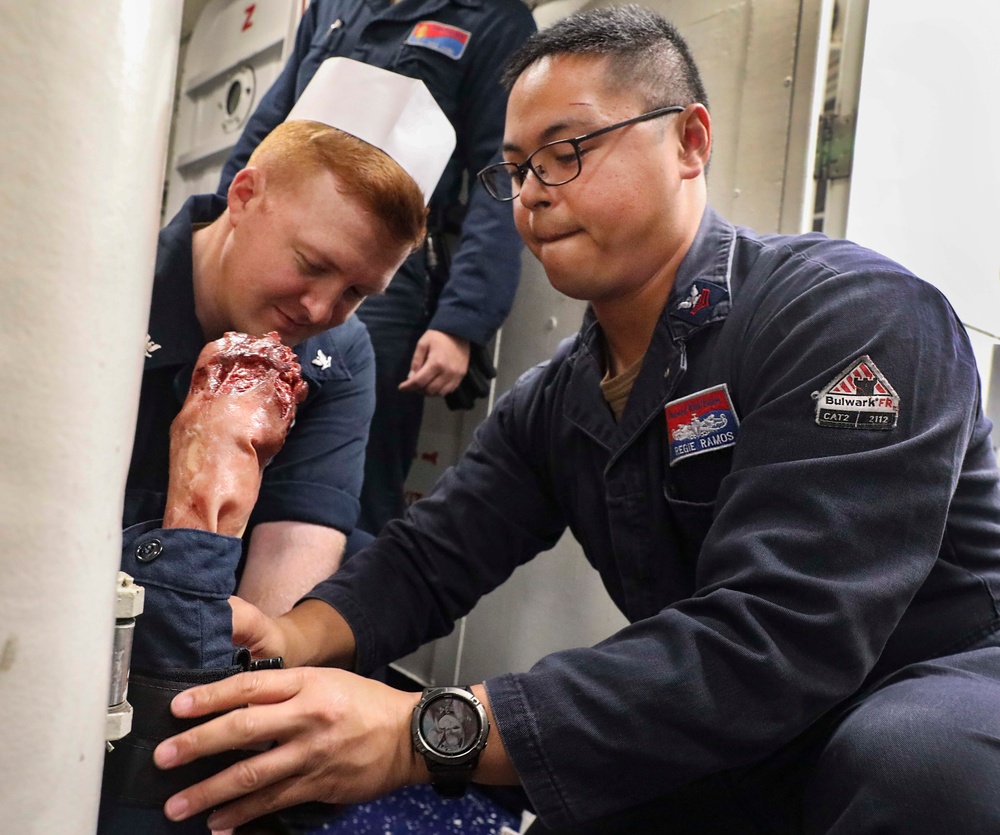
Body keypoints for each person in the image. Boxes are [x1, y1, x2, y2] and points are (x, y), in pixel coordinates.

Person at [152, 7, 1000, 834]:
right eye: (515, 169)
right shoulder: (561, 399)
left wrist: (421, 732)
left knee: (915, 765)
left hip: (935, 686)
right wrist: (290, 635)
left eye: (565, 153)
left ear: (690, 142)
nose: (532, 196)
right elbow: (430, 555)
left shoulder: (851, 316)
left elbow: (781, 634)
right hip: (753, 723)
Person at [100, 59, 454, 834]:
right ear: (245, 194)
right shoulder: (102, 277)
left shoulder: (344, 355)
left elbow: (267, 622)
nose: (321, 309)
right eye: (311, 264)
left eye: (358, 291)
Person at [218, 0, 536, 535]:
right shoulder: (336, 7)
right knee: (233, 438)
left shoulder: (493, 21)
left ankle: (327, 613)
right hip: (286, 249)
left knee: (355, 485)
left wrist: (462, 321)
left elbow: (502, 175)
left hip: (385, 282)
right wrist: (218, 221)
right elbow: (272, 126)